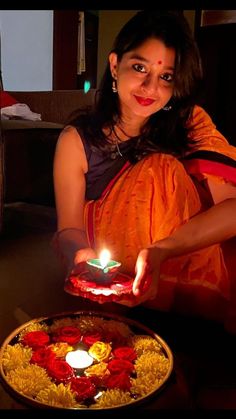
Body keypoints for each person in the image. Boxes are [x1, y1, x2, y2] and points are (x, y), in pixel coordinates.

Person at [53, 10, 236, 332]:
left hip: (186, 270)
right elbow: (69, 227)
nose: (150, 87)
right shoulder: (76, 140)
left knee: (160, 167)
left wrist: (163, 250)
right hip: (116, 276)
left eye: (166, 76)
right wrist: (77, 253)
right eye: (139, 68)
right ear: (114, 65)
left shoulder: (189, 123)